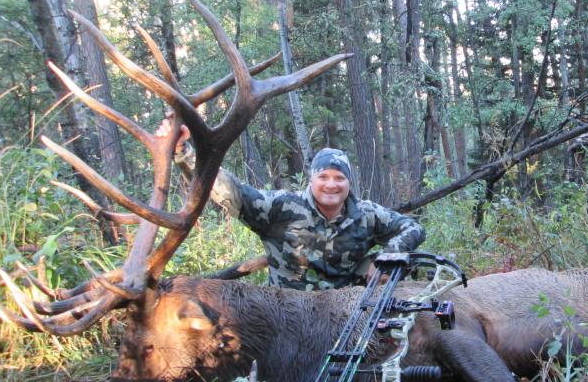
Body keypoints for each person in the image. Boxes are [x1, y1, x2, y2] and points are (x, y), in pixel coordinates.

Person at [156, 120, 425, 291]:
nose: (331, 185)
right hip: (288, 316)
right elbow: (228, 190)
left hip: (347, 312)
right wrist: (183, 152)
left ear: (349, 183)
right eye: (323, 177)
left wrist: (385, 259)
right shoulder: (280, 207)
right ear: (311, 179)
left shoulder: (367, 214)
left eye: (339, 178)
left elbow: (413, 228)